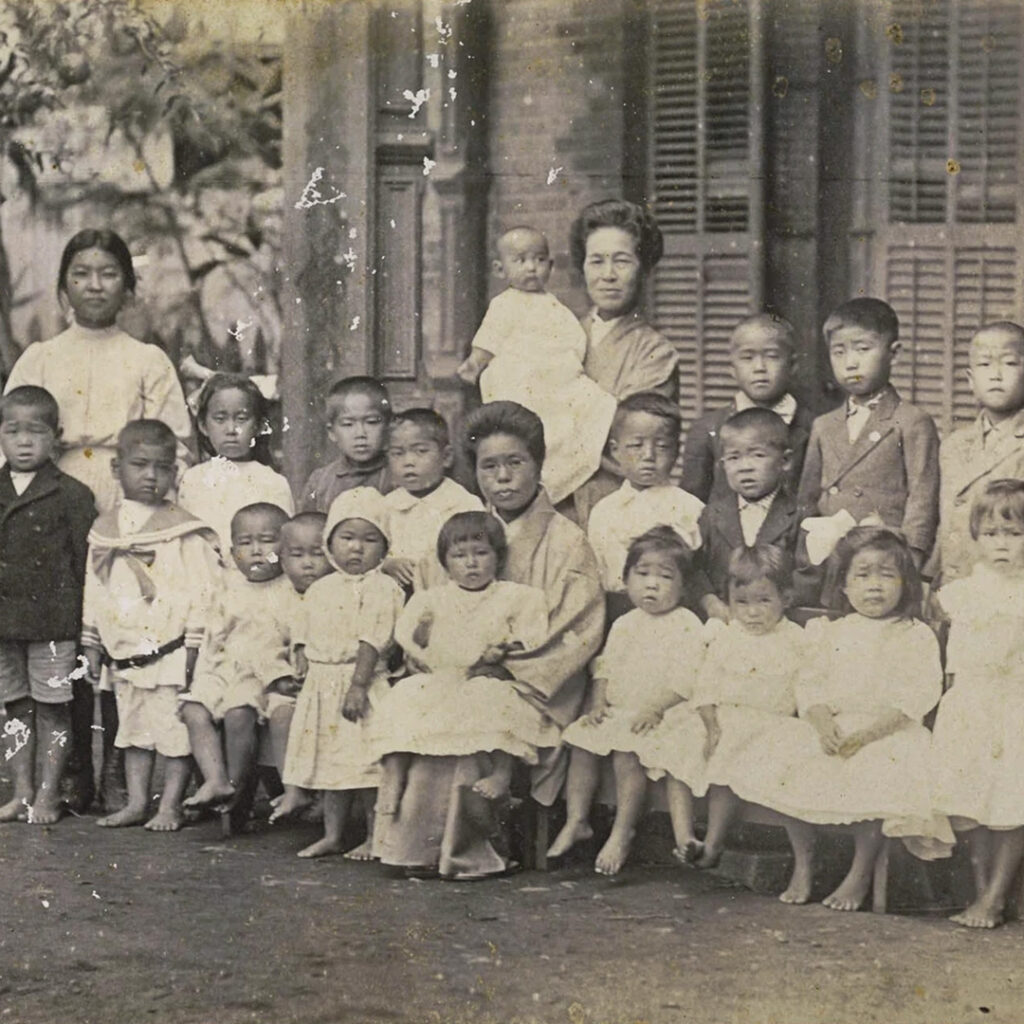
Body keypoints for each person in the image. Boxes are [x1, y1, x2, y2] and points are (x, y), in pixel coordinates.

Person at [5, 228, 193, 813]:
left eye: (108, 273)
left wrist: (148, 504)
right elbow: (10, 432)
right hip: (47, 507)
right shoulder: (40, 357)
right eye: (81, 274)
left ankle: (115, 770)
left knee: (118, 634)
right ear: (64, 287)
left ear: (128, 287)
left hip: (123, 502)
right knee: (57, 631)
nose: (94, 285)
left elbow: (176, 443)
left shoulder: (146, 359)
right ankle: (66, 777)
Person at [376, 401, 604, 880]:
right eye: (489, 466)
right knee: (434, 703)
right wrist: (439, 661)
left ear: (540, 465)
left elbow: (575, 632)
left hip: (532, 683)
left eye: (515, 463)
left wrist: (503, 669)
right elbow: (430, 611)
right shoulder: (464, 531)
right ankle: (414, 847)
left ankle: (466, 850)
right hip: (458, 674)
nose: (502, 478)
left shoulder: (567, 542)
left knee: (477, 709)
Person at [725, 527, 953, 911]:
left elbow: (917, 697)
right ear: (844, 586)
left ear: (905, 583)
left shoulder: (914, 635)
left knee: (875, 774)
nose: (875, 586)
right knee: (786, 759)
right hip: (835, 724)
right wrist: (820, 721)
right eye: (863, 576)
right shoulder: (830, 632)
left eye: (886, 575)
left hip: (886, 731)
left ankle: (859, 873)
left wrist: (867, 735)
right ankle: (804, 862)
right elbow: (810, 684)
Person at [638, 545, 816, 903]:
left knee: (738, 767)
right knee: (681, 756)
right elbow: (704, 685)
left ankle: (718, 845)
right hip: (721, 717)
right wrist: (710, 723)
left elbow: (810, 688)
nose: (751, 613)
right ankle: (685, 838)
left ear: (786, 598)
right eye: (742, 603)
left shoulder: (797, 639)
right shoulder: (725, 636)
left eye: (763, 601)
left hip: (772, 724)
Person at [80, 420, 220, 832]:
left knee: (174, 733)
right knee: (133, 731)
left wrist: (194, 647)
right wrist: (91, 641)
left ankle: (171, 804)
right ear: (116, 468)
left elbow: (203, 592)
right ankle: (138, 801)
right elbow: (95, 588)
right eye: (140, 465)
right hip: (124, 653)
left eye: (162, 468)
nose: (151, 476)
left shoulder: (182, 531)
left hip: (171, 651)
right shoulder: (105, 530)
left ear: (174, 473)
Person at [372, 511, 551, 815]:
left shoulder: (517, 596)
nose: (471, 563)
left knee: (494, 697)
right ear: (445, 562)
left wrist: (505, 648)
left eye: (481, 553)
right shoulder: (433, 598)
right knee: (404, 696)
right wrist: (423, 653)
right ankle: (393, 775)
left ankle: (501, 772)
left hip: (486, 677)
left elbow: (535, 634)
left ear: (498, 557)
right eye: (459, 556)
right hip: (442, 675)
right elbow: (404, 632)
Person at [550, 527, 706, 876]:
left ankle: (622, 831)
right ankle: (577, 820)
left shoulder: (686, 624)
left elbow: (688, 678)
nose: (652, 585)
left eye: (665, 577)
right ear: (625, 579)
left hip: (664, 714)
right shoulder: (624, 623)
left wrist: (656, 708)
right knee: (581, 741)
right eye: (643, 574)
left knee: (627, 754)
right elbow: (604, 667)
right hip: (620, 710)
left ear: (683, 587)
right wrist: (597, 704)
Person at [278, 488, 404, 859]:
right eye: (347, 538)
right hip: (322, 684)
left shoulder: (383, 588)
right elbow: (303, 625)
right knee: (332, 765)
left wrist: (359, 685)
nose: (356, 549)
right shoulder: (322, 588)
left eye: (369, 540)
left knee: (365, 767)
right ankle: (332, 834)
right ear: (331, 542)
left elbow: (373, 639)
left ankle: (372, 835)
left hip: (359, 684)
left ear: (384, 546)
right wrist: (301, 655)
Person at [456, 226, 616, 505]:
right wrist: (475, 362)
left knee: (594, 403)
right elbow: (489, 338)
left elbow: (573, 338)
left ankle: (567, 462)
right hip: (521, 373)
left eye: (540, 260)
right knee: (531, 418)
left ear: (550, 265)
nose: (532, 267)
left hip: (554, 374)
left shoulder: (553, 305)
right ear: (500, 268)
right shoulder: (505, 304)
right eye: (521, 261)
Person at [797, 298, 940, 601]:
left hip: (884, 563)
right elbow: (807, 498)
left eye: (863, 349)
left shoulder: (912, 421)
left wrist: (911, 559)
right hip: (829, 561)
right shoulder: (824, 425)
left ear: (894, 353)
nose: (850, 362)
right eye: (839, 351)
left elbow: (922, 498)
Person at [930, 480, 1024, 928]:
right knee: (971, 800)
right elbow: (954, 660)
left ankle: (996, 895)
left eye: (1014, 533)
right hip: (971, 704)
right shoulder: (962, 593)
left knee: (1011, 801)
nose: (1001, 544)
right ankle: (982, 886)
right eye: (990, 534)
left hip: (1015, 706)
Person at [0, 386, 95, 824]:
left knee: (54, 708)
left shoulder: (71, 494)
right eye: (12, 430)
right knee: (15, 708)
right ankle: (20, 791)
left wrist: (81, 626)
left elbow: (83, 565)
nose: (23, 441)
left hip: (53, 623)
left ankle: (49, 793)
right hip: (4, 623)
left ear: (55, 436)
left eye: (35, 431)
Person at [179, 503, 295, 820]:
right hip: (223, 667)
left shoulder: (290, 589)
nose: (257, 551)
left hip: (262, 674)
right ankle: (215, 779)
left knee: (238, 713)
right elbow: (212, 638)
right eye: (246, 543)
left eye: (267, 541)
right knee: (193, 709)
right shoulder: (227, 586)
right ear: (232, 550)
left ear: (286, 546)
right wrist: (200, 679)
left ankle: (237, 786)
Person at [568, 199, 680, 525]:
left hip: (619, 507)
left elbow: (623, 434)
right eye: (596, 261)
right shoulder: (561, 337)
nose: (608, 275)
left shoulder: (656, 354)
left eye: (622, 261)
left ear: (643, 269)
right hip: (554, 507)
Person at [586, 393, 703, 619]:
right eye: (636, 445)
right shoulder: (604, 511)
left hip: (676, 615)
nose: (648, 455)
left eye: (661, 446)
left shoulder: (690, 508)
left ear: (676, 452)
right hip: (614, 613)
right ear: (615, 450)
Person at [681, 313, 815, 504]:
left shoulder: (814, 427)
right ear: (732, 369)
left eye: (771, 356)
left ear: (792, 365)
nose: (759, 367)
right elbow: (691, 503)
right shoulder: (706, 428)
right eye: (747, 357)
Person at [929, 322, 1024, 585]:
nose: (995, 375)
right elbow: (944, 523)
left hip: (1008, 589)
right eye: (984, 365)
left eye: (1008, 363)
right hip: (952, 584)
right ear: (970, 381)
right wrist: (929, 578)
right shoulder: (954, 445)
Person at [691, 407, 804, 622]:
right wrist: (709, 600)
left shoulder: (799, 516)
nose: (745, 467)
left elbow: (805, 579)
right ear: (722, 464)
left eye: (757, 455)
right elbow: (695, 568)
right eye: (734, 458)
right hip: (722, 623)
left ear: (785, 461)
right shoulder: (712, 514)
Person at [177, 373, 294, 556]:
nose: (231, 430)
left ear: (258, 426)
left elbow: (283, 544)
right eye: (220, 419)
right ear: (203, 425)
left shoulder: (272, 482)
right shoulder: (191, 480)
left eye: (241, 419)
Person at [264, 511, 333, 819]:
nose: (308, 563)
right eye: (297, 554)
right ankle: (293, 789)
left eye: (318, 554)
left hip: (330, 686)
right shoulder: (278, 600)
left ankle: (326, 796)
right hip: (293, 685)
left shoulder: (339, 594)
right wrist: (280, 676)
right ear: (281, 559)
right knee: (280, 714)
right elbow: (265, 645)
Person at [381, 408, 481, 592]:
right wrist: (387, 564)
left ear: (446, 457)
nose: (408, 461)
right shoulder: (385, 506)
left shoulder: (464, 505)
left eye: (420, 451)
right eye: (398, 453)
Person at [299, 377, 393, 514]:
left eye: (371, 422)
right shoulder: (320, 482)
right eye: (348, 424)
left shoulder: (398, 477)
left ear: (388, 426)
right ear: (332, 432)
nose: (360, 433)